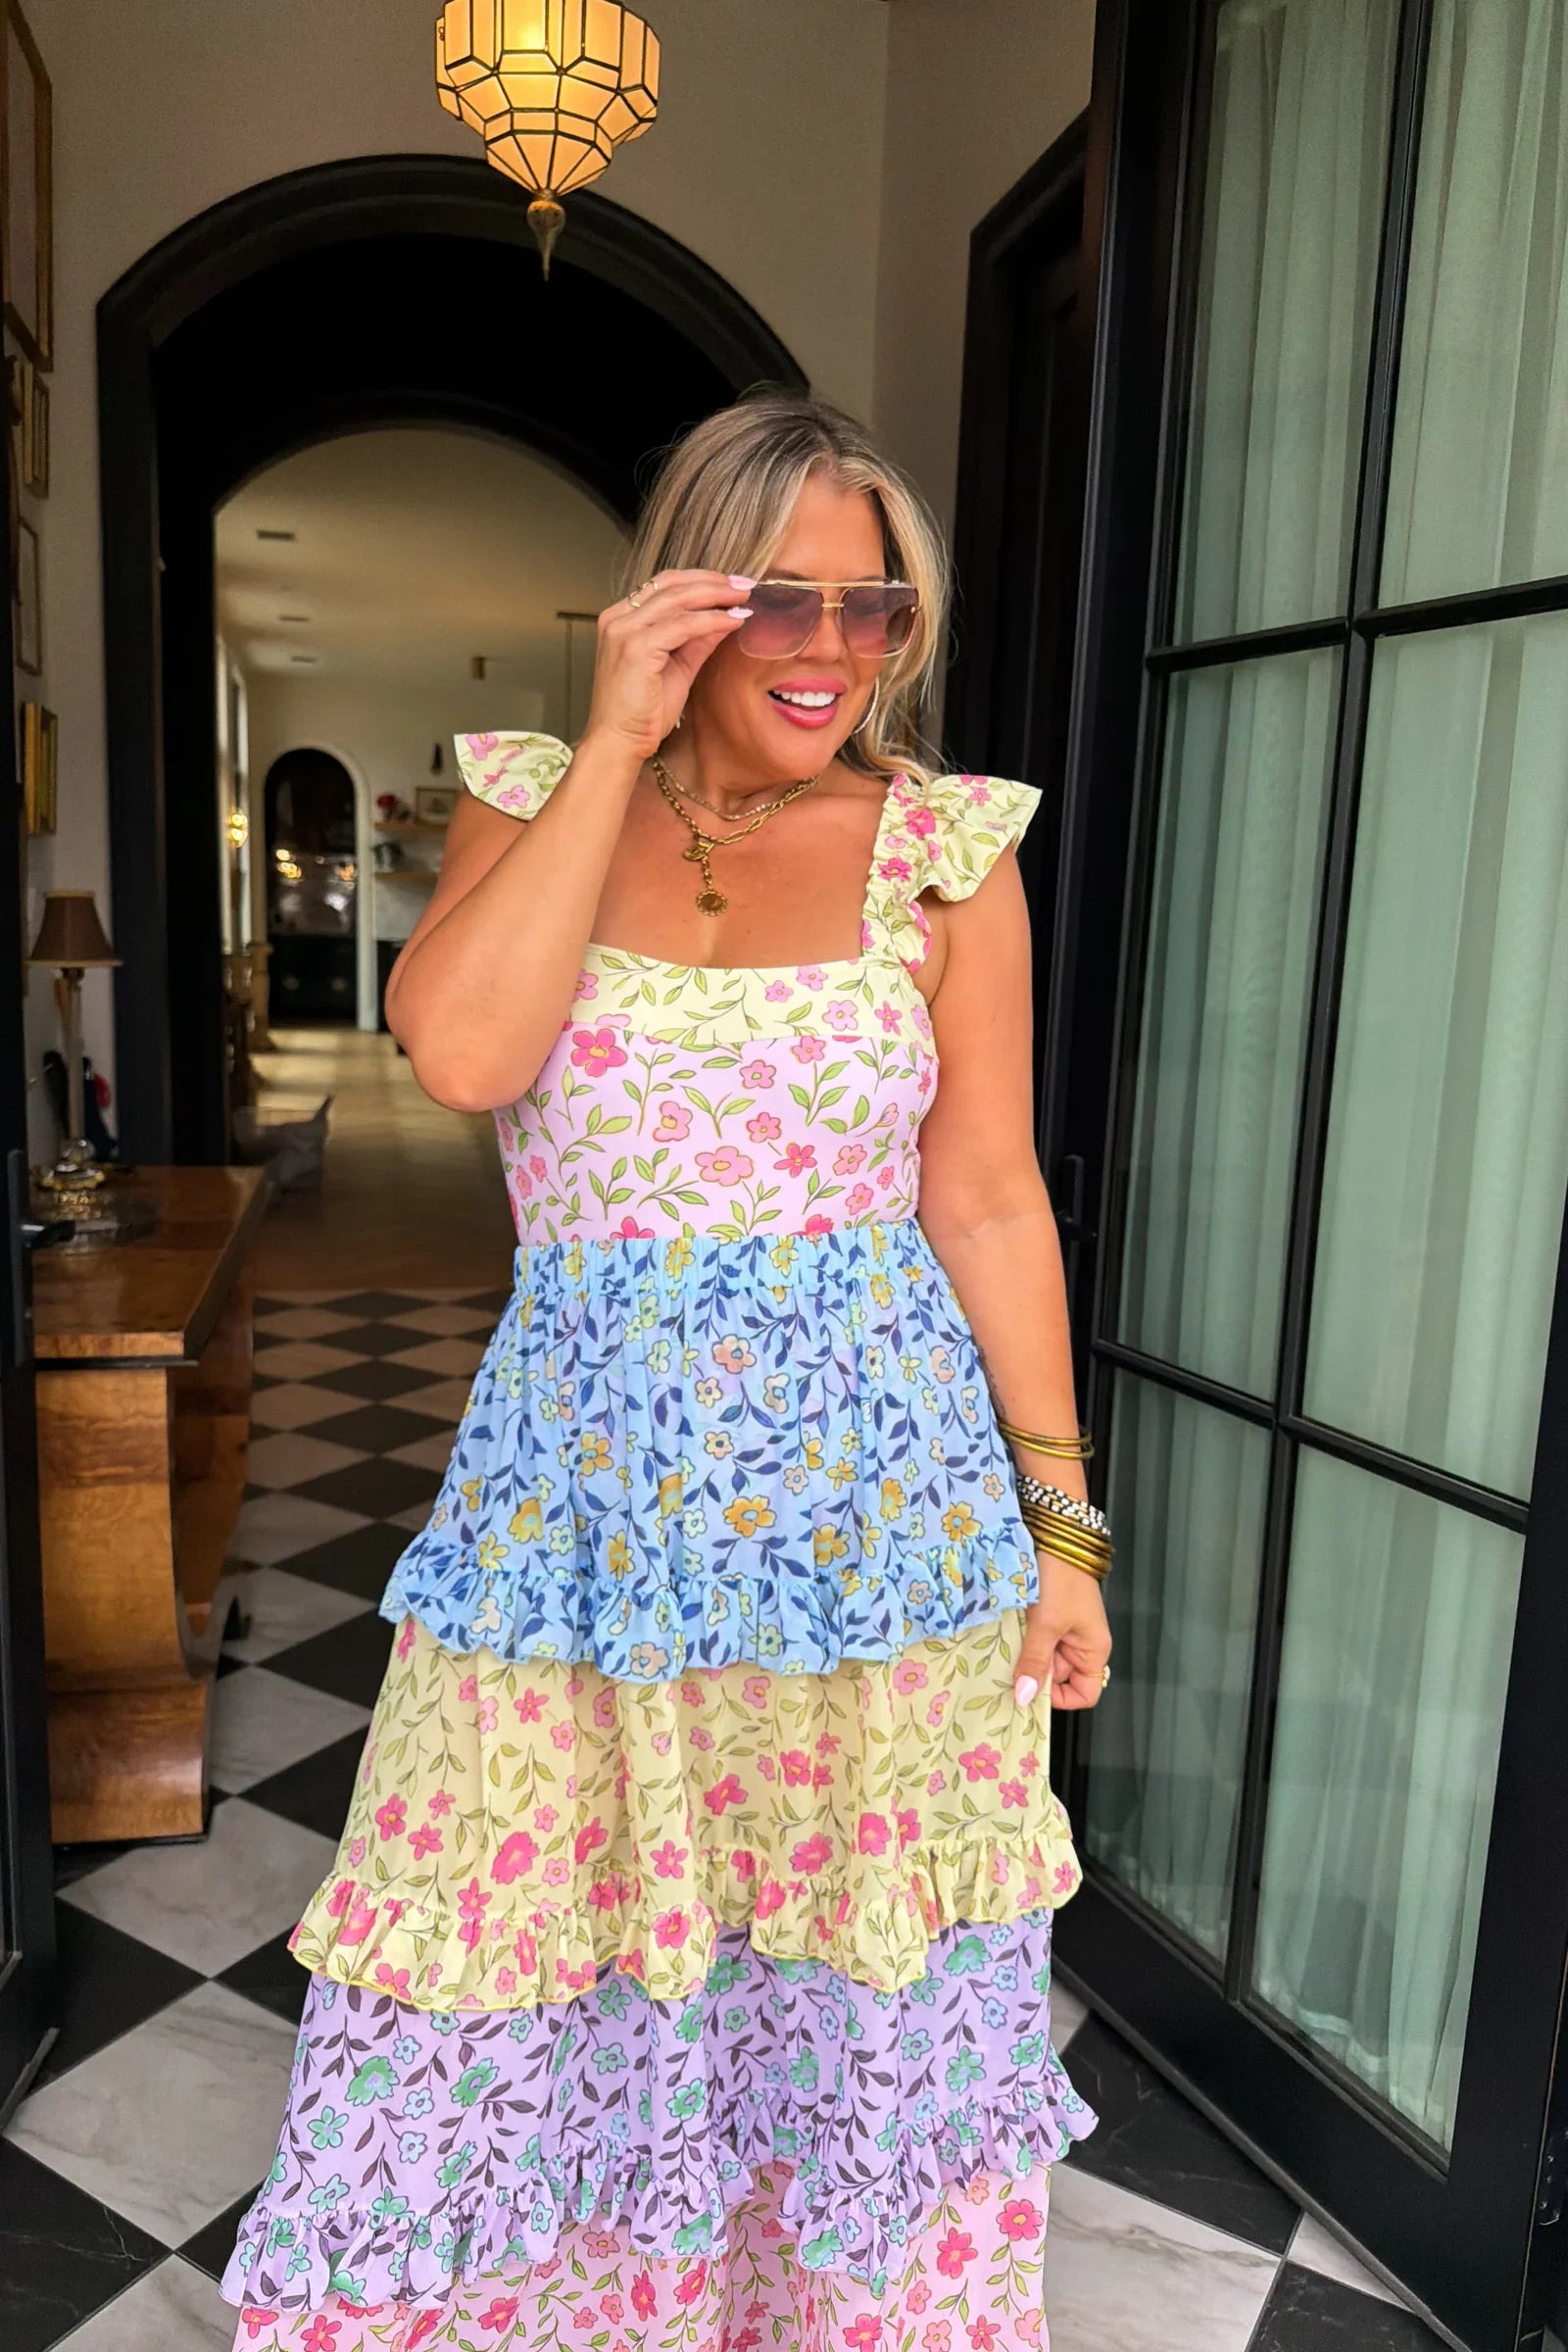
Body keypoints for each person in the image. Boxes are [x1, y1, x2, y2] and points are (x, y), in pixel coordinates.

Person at [222, 389, 1112, 2352]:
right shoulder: (534, 790)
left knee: (831, 1991)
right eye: (773, 603)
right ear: (674, 601)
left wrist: (1063, 1532)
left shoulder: (944, 855)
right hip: (581, 1528)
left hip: (876, 1542)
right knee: (518, 1942)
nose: (823, 653)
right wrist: (614, 742)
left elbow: (985, 1205)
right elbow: (455, 1057)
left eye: (870, 611)